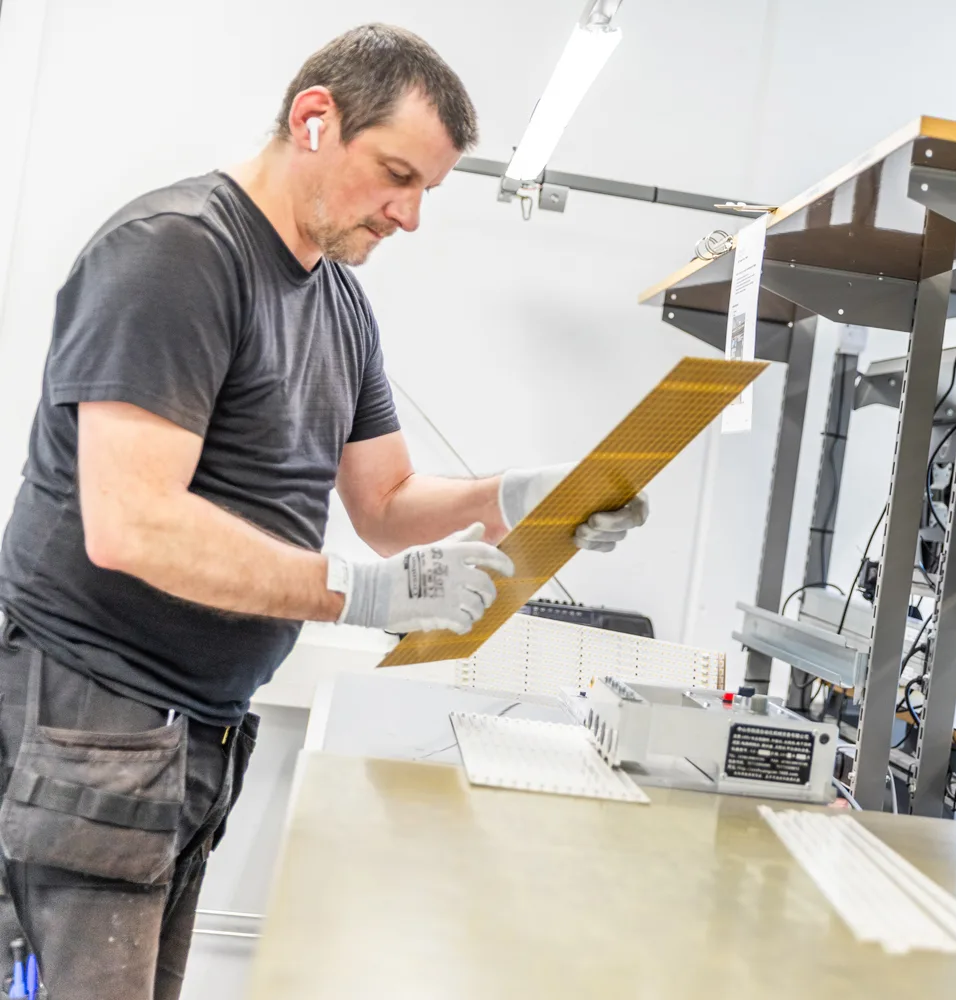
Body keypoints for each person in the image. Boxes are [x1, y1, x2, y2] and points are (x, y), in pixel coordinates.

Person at [0, 24, 646, 998]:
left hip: (194, 731)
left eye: (427, 190)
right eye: (397, 175)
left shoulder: (339, 306)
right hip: (92, 715)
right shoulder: (177, 254)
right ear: (314, 120)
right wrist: (359, 593)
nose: (410, 216)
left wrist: (511, 496)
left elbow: (384, 503)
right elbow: (130, 522)